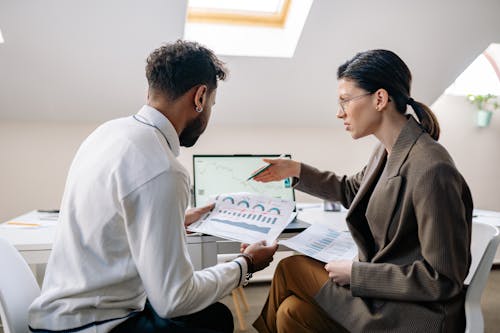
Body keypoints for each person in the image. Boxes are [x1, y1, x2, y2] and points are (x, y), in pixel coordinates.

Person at [28, 40, 278, 333]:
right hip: (92, 325)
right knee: (215, 321)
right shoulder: (164, 170)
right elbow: (174, 299)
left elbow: (115, 219)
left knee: (212, 316)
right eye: (211, 104)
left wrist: (177, 219)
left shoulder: (106, 133)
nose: (208, 112)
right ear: (199, 97)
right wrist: (245, 265)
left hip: (56, 314)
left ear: (151, 90)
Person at [251, 49, 473, 333]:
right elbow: (351, 189)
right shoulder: (386, 149)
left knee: (290, 269)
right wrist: (295, 170)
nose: (339, 112)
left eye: (345, 100)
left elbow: (442, 278)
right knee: (290, 314)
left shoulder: (432, 170)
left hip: (413, 314)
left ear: (379, 99)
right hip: (385, 298)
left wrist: (358, 274)